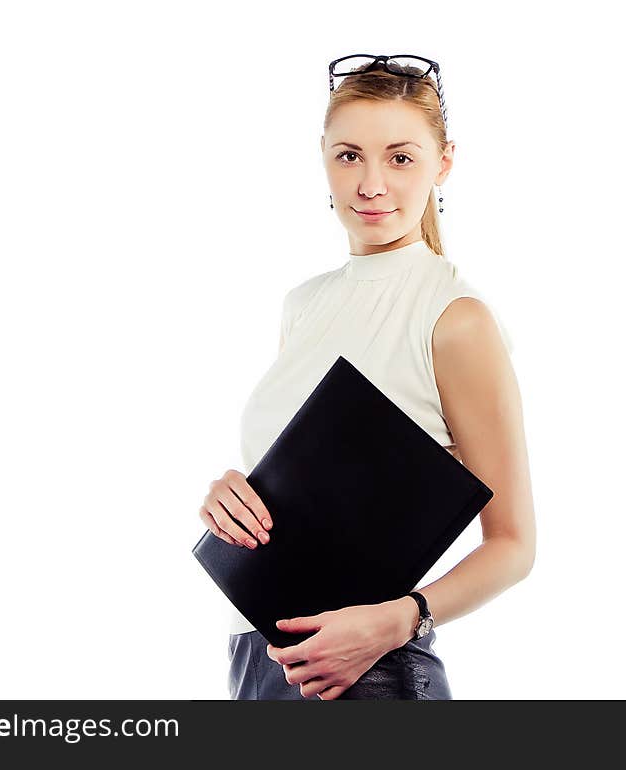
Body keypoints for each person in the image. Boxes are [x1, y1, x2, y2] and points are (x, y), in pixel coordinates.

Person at [198, 54, 536, 700]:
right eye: (349, 155)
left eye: (401, 157)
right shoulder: (302, 306)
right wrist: (231, 502)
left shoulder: (455, 319)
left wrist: (396, 621)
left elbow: (515, 544)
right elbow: (308, 492)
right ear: (322, 158)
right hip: (257, 662)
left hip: (373, 670)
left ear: (444, 163)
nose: (371, 183)